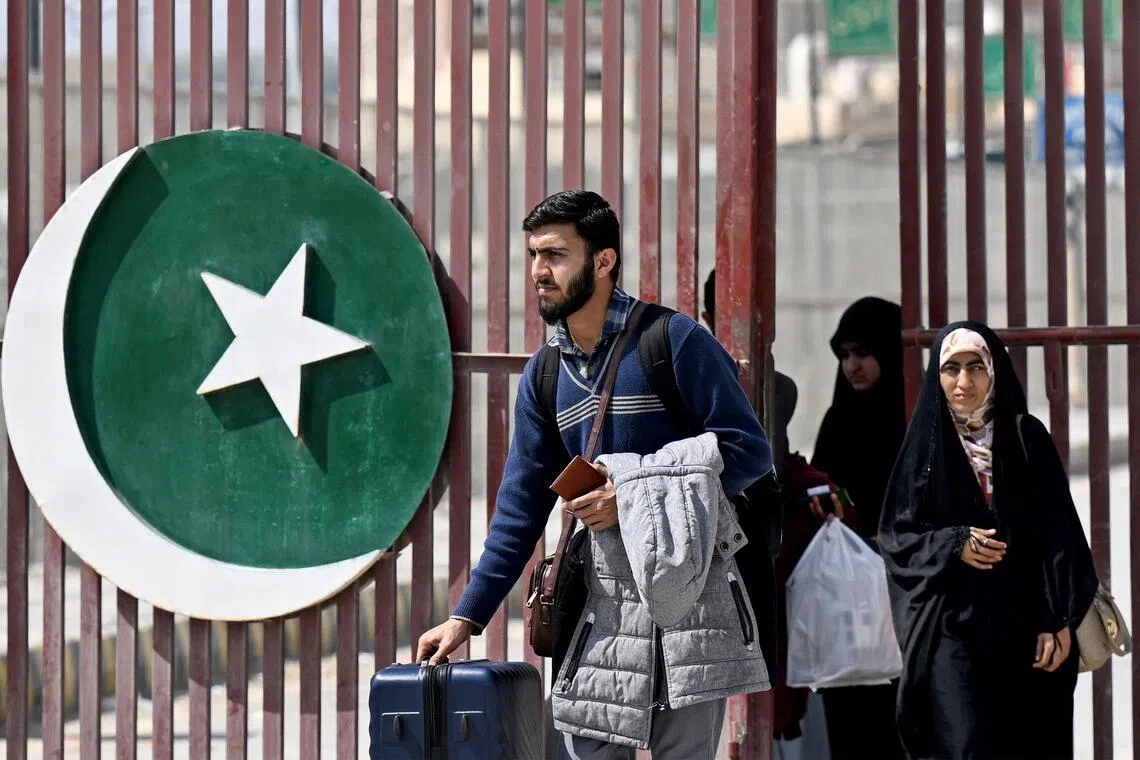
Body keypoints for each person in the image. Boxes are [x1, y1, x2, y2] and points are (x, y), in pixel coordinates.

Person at [416, 190, 773, 759]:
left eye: (556, 255)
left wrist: (627, 495)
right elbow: (519, 511)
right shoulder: (546, 375)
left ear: (604, 262)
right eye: (534, 255)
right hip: (596, 609)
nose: (539, 271)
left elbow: (748, 450)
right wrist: (467, 615)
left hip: (687, 605)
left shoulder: (673, 341)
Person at [878, 323, 1097, 760]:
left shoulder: (1025, 437)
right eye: (951, 368)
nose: (964, 381)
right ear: (936, 376)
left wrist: (1055, 618)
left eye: (976, 367)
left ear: (994, 371)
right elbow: (897, 536)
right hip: (951, 628)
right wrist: (953, 542)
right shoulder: (926, 445)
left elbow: (1059, 534)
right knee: (966, 746)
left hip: (1025, 628)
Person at [808, 297, 907, 760]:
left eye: (864, 353)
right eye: (845, 354)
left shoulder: (913, 421)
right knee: (850, 720)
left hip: (905, 591)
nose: (853, 366)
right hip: (848, 602)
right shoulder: (839, 419)